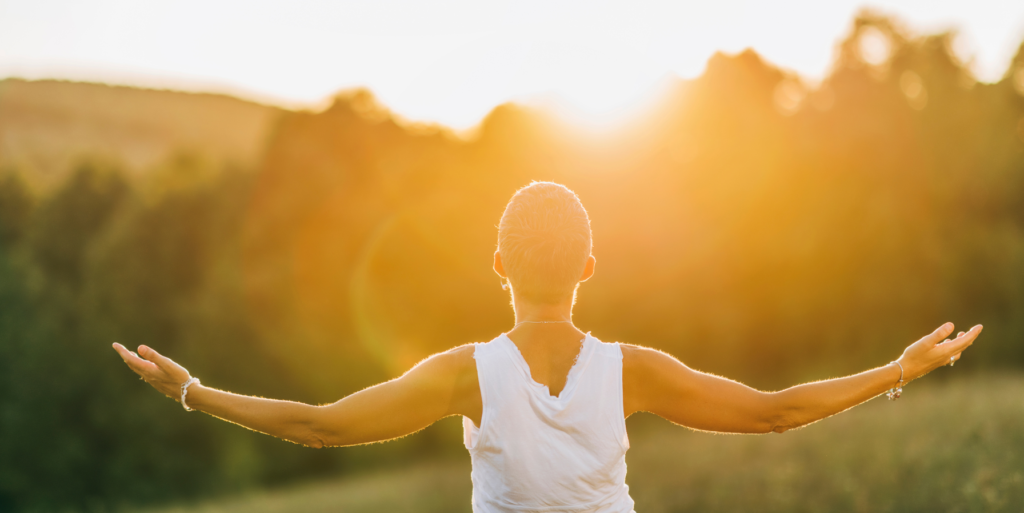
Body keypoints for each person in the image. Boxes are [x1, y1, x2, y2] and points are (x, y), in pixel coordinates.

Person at [114, 181, 983, 513]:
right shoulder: (632, 370)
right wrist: (897, 370)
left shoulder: (466, 375)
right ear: (590, 266)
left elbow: (321, 426)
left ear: (498, 265)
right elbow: (777, 412)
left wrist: (194, 391)